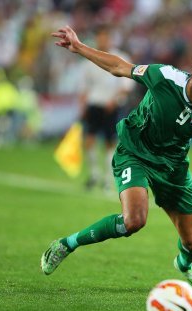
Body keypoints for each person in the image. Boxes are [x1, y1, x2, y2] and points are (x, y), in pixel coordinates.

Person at [41, 25, 192, 291]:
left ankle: (184, 265)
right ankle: (67, 244)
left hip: (173, 167)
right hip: (135, 152)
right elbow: (120, 67)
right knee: (134, 220)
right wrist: (80, 47)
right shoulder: (164, 76)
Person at [79, 25, 134, 191]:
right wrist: (82, 105)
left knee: (110, 143)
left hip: (112, 106)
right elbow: (84, 87)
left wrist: (116, 100)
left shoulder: (121, 57)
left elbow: (126, 85)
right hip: (94, 104)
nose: (103, 40)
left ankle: (107, 179)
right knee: (89, 140)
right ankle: (94, 174)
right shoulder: (89, 61)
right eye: (100, 37)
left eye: (106, 37)